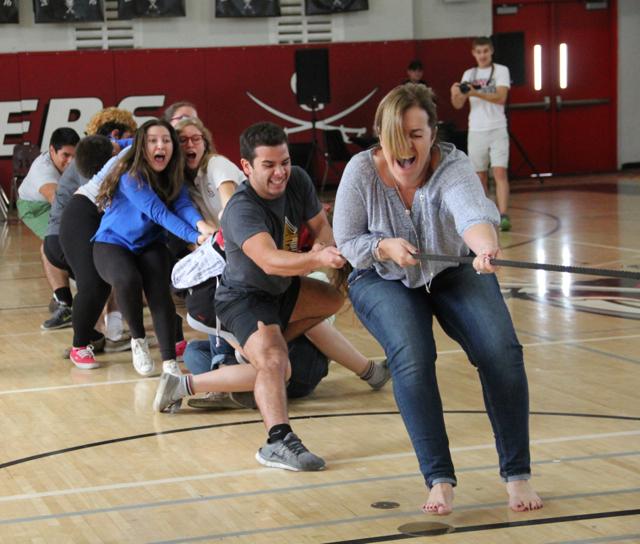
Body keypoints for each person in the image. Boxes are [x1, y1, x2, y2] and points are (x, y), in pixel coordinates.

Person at [333, 83, 542, 515]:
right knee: (413, 354)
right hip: (381, 276)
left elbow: (471, 212)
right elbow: (348, 240)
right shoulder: (360, 172)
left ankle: (517, 474)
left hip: (453, 271)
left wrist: (484, 247)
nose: (406, 147)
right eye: (397, 136)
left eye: (417, 134)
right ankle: (439, 478)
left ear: (433, 134)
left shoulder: (454, 166)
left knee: (500, 350)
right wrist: (383, 247)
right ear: (380, 135)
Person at [154, 122, 388, 472]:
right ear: (247, 167)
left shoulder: (298, 181)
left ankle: (237, 360)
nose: (280, 173)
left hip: (283, 290)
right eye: (269, 165)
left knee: (329, 300)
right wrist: (315, 259)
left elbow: (320, 225)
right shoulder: (240, 209)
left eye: (285, 162)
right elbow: (269, 260)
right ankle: (277, 441)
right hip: (243, 299)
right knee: (277, 363)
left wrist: (329, 245)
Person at [92, 119, 214, 377]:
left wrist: (203, 226)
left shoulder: (174, 173)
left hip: (150, 243)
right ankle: (138, 340)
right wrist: (194, 236)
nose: (161, 146)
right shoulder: (130, 175)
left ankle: (169, 360)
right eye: (153, 141)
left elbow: (183, 206)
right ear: (142, 147)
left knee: (160, 293)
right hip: (112, 242)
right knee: (127, 280)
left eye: (167, 140)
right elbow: (158, 213)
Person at [47, 108, 138, 365]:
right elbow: (142, 143)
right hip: (70, 228)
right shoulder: (101, 162)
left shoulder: (102, 158)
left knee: (101, 282)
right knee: (92, 283)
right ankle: (80, 345)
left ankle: (93, 336)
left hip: (83, 224)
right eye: (118, 144)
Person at [17, 127, 80, 330]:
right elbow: (57, 201)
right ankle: (64, 304)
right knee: (51, 243)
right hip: (35, 206)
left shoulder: (78, 160)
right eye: (65, 155)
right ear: (52, 151)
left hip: (65, 200)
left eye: (74, 155)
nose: (70, 161)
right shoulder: (43, 171)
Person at [450, 36, 512, 231]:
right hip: (476, 129)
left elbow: (501, 97)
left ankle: (503, 214)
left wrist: (474, 93)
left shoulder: (501, 70)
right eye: (479, 52)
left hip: (497, 127)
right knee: (480, 175)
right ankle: (487, 213)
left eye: (485, 51)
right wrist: (455, 93)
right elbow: (458, 104)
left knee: (499, 172)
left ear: (491, 51)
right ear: (473, 53)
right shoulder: (468, 74)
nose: (482, 55)